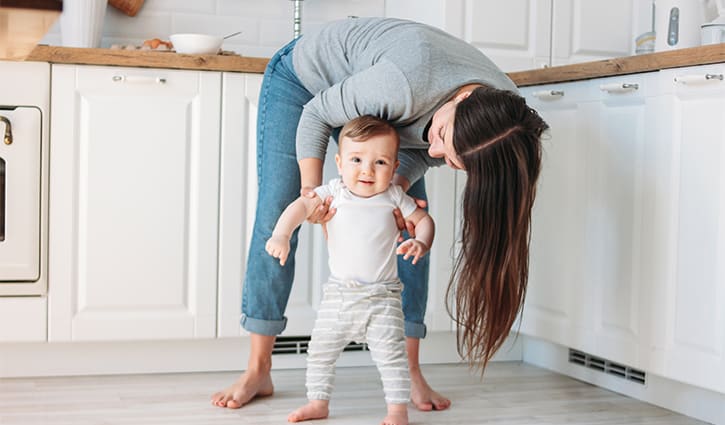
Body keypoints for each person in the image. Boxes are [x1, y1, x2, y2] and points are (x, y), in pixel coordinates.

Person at [211, 17, 549, 411]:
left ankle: (408, 372)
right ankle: (258, 368)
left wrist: (397, 189)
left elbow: (422, 153)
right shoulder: (403, 85)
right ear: (458, 101)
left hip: (382, 95)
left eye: (454, 162)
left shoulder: (508, 122)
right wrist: (314, 197)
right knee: (279, 212)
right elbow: (318, 114)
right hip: (306, 82)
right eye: (441, 136)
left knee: (405, 228)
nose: (438, 153)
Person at [266, 115, 433, 425]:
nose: (367, 170)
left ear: (395, 167)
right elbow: (299, 207)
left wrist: (421, 242)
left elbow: (424, 220)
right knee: (319, 352)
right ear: (340, 163)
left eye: (380, 162)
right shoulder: (334, 192)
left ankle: (397, 411)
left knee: (393, 358)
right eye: (357, 159)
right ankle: (318, 402)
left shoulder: (393, 196)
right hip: (340, 296)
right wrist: (281, 234)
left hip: (383, 299)